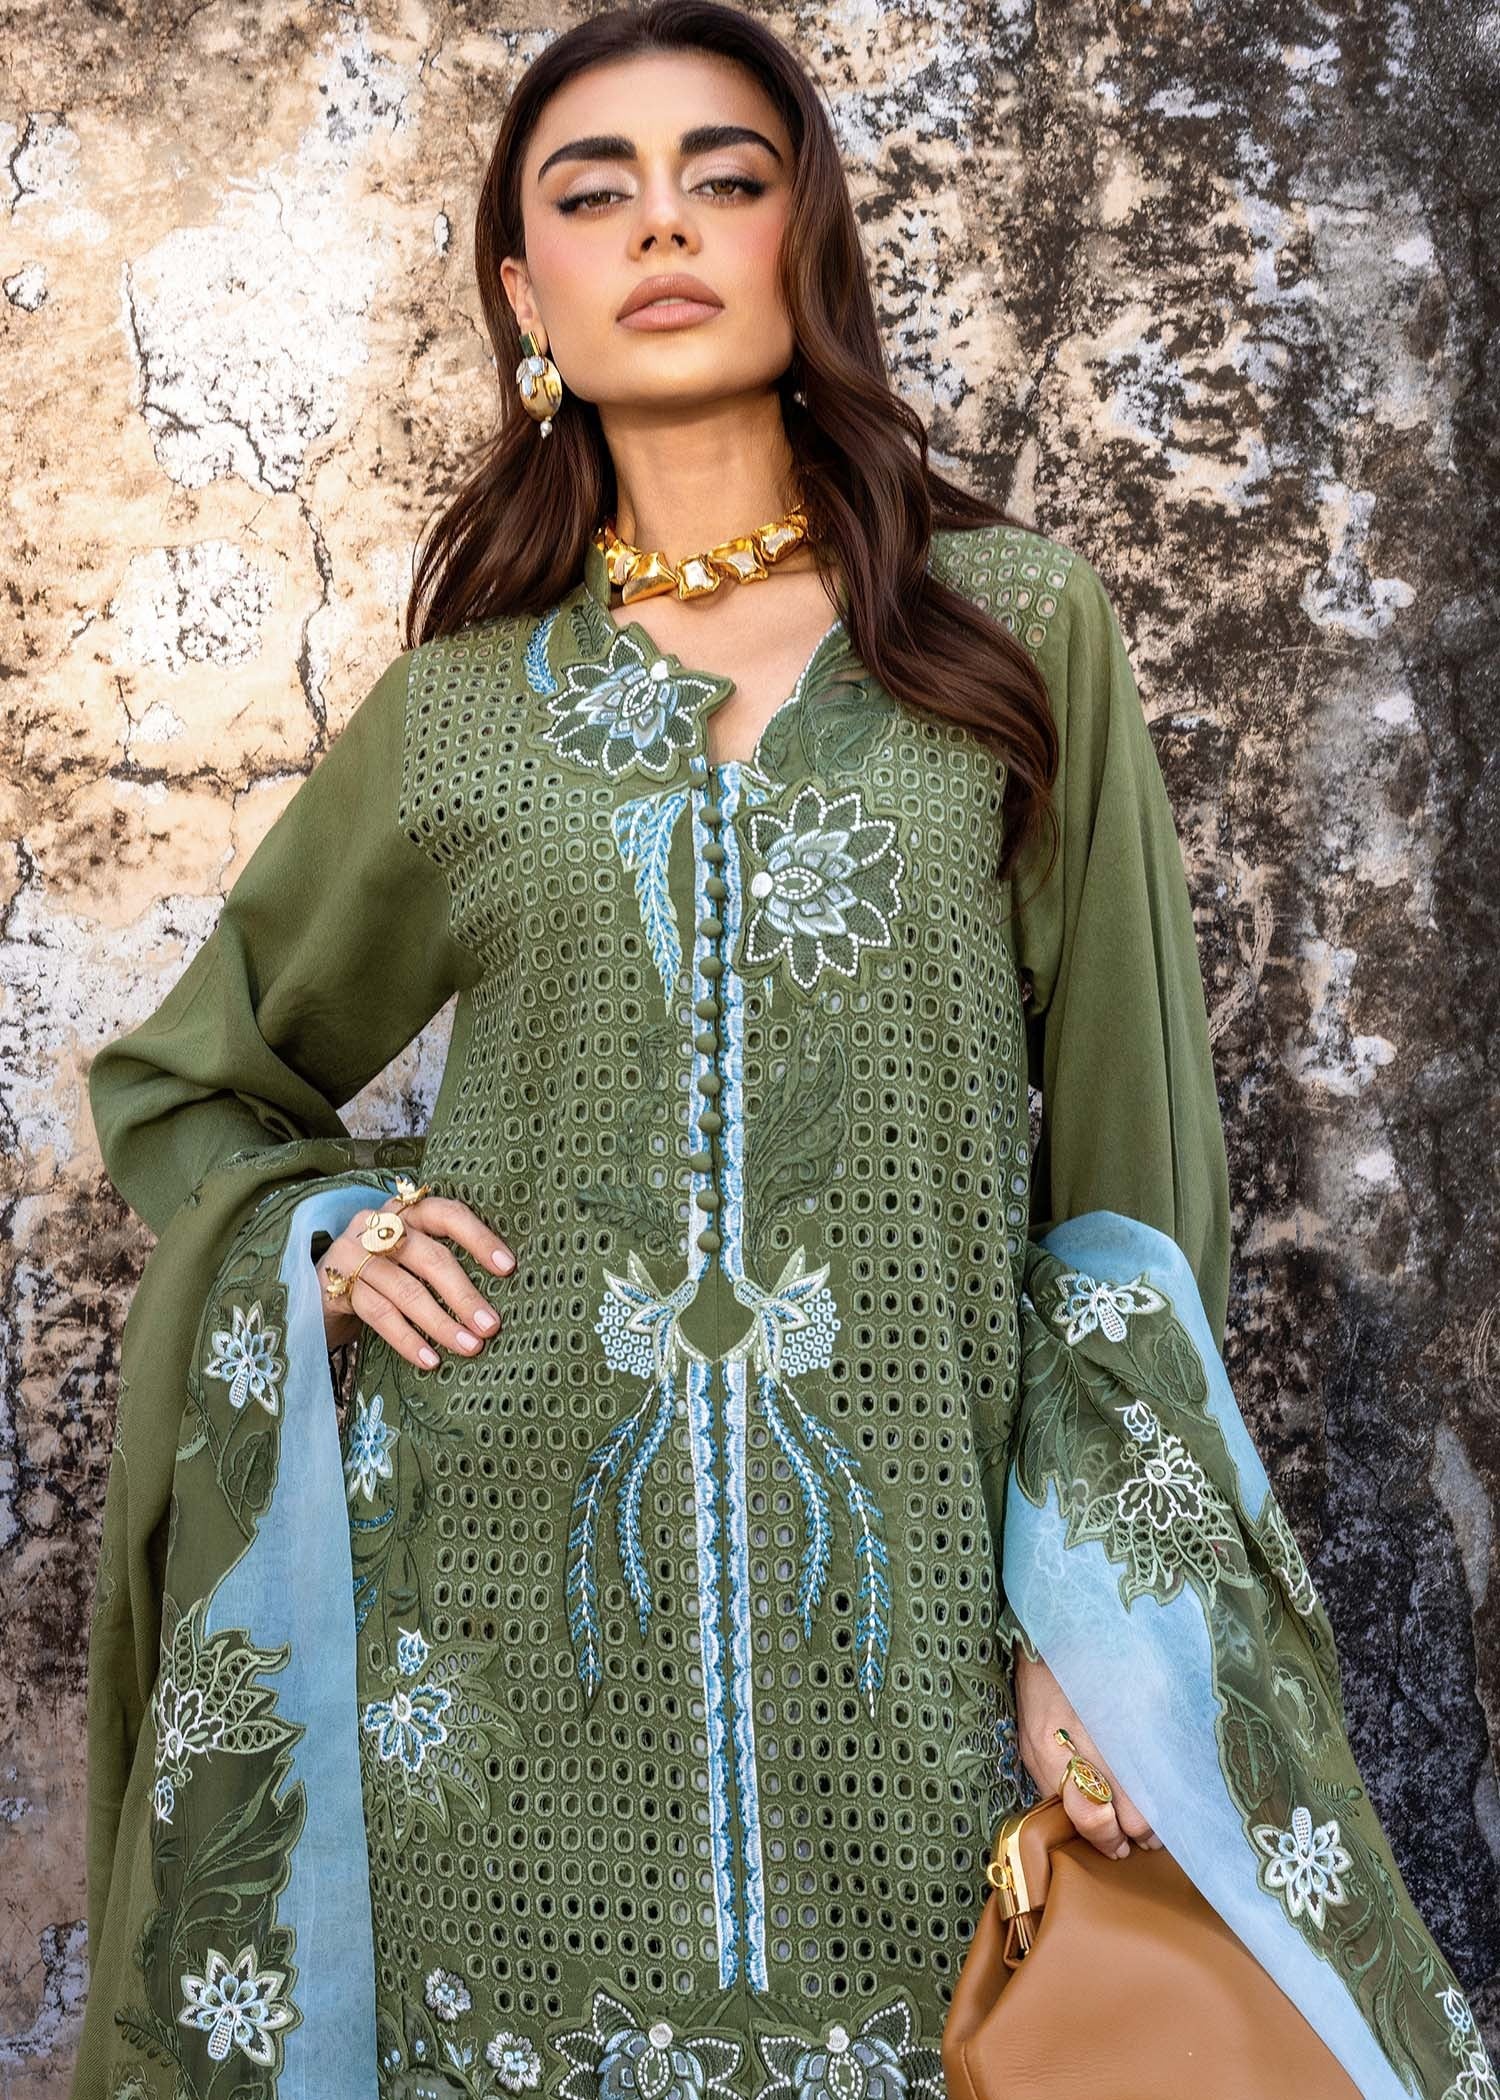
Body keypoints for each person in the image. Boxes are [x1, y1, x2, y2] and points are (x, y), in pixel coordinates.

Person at [71, 6, 1495, 2099]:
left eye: (724, 179)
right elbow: (186, 1088)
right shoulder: (463, 716)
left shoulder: (1012, 635)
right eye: (595, 196)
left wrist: (1092, 1626)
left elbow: (1127, 1201)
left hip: (915, 1643)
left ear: (801, 240)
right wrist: (327, 1234)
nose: (663, 227)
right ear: (525, 295)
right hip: (493, 1666)